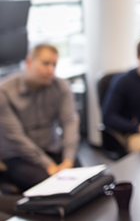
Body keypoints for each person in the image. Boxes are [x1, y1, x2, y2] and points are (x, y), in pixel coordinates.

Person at [0, 44, 80, 191]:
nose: (50, 70)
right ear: (28, 62)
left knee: (80, 175)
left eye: (54, 65)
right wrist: (48, 165)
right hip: (18, 155)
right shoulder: (4, 92)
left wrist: (68, 160)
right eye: (45, 63)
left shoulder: (61, 86)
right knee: (51, 184)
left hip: (51, 147)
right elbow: (16, 137)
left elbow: (69, 122)